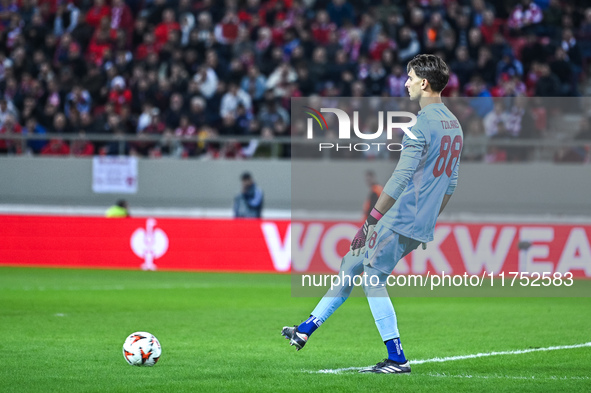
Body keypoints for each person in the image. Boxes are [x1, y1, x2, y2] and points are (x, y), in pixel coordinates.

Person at [282, 54, 463, 374]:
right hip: (418, 219)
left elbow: (399, 179)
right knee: (351, 263)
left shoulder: (421, 125)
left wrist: (371, 221)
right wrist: (429, 221)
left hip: (400, 216)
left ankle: (397, 358)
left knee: (372, 279)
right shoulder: (454, 125)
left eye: (409, 78)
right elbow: (451, 182)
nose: (405, 83)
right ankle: (304, 329)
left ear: (424, 83)